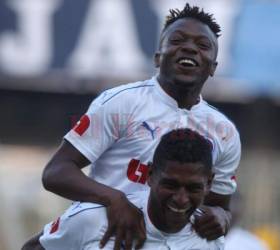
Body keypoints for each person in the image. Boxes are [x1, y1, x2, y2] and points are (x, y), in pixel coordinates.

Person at [23, 3, 241, 250]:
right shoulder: (122, 103)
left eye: (202, 45)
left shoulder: (224, 132)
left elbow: (219, 203)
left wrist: (224, 216)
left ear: (213, 67)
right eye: (178, 40)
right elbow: (55, 173)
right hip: (105, 235)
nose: (190, 47)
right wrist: (114, 199)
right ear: (158, 57)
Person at [23, 129, 225, 250]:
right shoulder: (92, 218)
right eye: (170, 185)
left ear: (209, 183)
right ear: (150, 175)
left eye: (193, 188)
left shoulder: (209, 238)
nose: (181, 199)